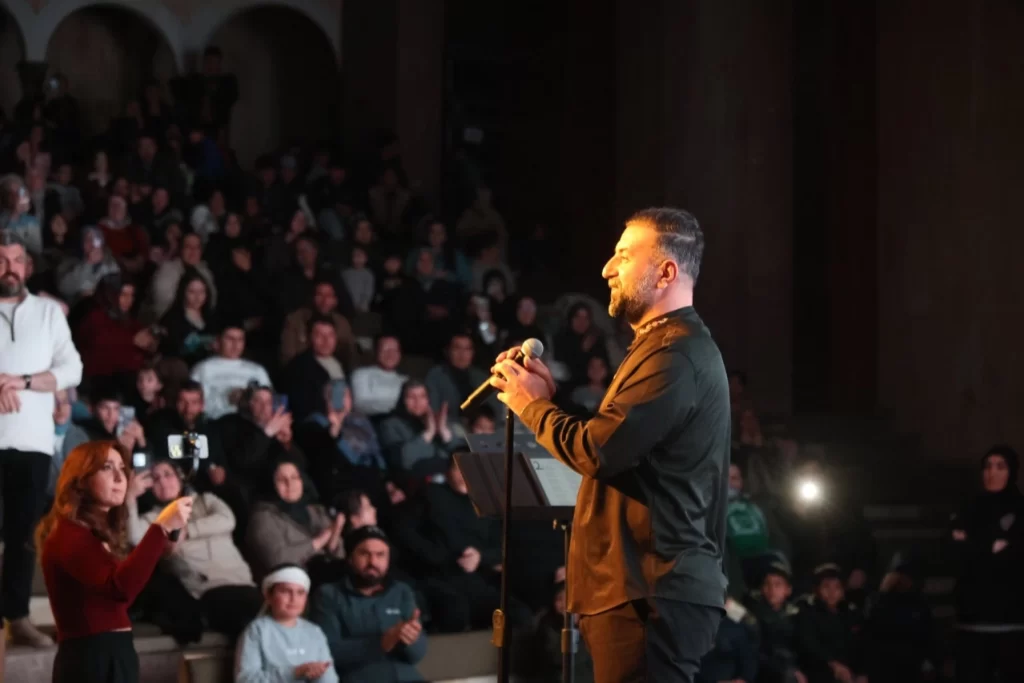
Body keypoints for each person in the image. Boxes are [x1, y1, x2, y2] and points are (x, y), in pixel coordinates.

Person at [488, 208, 730, 682]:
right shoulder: (664, 347)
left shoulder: (674, 354)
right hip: (644, 586)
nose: (607, 269)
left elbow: (598, 451)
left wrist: (531, 405)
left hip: (650, 588)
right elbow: (619, 442)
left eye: (624, 255)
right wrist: (548, 400)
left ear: (666, 272)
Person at [37, 441, 193, 683]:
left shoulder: (91, 534)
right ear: (80, 480)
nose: (120, 477)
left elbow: (119, 601)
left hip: (112, 653)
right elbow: (120, 590)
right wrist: (161, 527)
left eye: (122, 468)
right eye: (107, 467)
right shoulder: (69, 534)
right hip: (91, 659)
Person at [0, 229, 84, 649]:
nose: (9, 268)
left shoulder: (49, 313)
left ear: (27, 266)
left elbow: (72, 370)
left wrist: (22, 380)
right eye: (1, 260)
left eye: (16, 260)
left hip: (32, 442)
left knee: (21, 537)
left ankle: (16, 617)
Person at [309, 526, 427, 683]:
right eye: (364, 554)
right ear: (350, 558)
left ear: (388, 560)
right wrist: (381, 644)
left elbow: (417, 655)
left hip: (407, 677)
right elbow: (327, 651)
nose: (373, 562)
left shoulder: (401, 591)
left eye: (380, 555)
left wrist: (411, 640)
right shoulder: (328, 595)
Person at [949, 444, 1024, 682]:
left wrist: (974, 544)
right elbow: (953, 549)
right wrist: (990, 547)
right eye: (988, 466)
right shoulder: (968, 507)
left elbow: (1015, 555)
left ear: (1011, 471)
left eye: (1000, 466)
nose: (992, 472)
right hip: (971, 619)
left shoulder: (1020, 509)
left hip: (1012, 621)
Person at [236, 564, 339, 683]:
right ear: (269, 596)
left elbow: (330, 679)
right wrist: (294, 673)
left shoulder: (315, 632)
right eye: (285, 591)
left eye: (300, 593)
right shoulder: (257, 630)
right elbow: (245, 679)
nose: (294, 599)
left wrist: (320, 674)